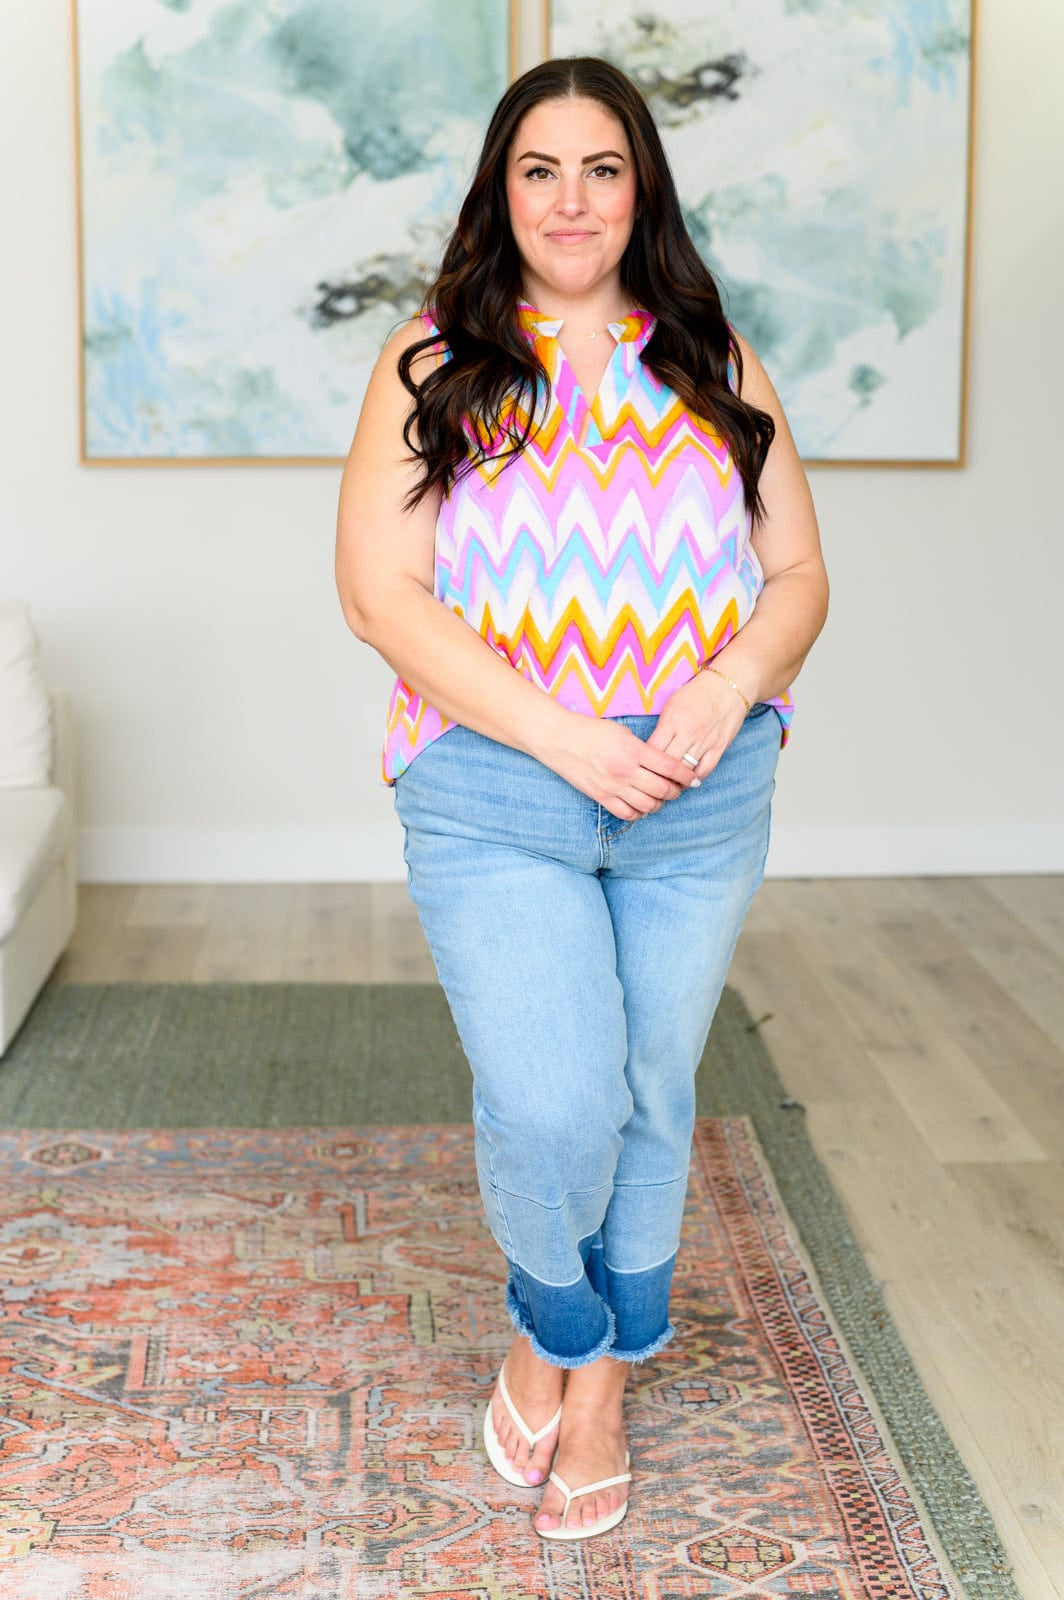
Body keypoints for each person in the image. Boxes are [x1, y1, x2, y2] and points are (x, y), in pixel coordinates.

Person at [335, 55, 828, 1542]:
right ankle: (556, 1322)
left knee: (648, 1092)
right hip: (494, 782)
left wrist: (731, 686)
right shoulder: (437, 358)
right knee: (553, 1097)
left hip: (698, 789)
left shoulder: (712, 354)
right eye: (540, 168)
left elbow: (799, 575)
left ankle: (603, 1383)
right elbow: (377, 592)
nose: (571, 198)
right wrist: (564, 735)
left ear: (642, 187)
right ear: (502, 186)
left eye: (601, 167)